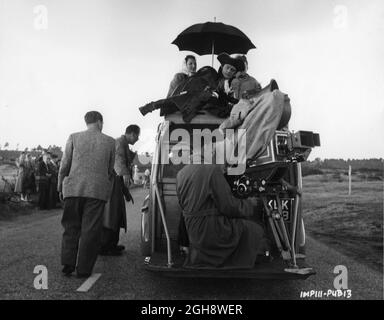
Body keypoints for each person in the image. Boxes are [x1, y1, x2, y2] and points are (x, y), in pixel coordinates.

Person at [176, 151, 267, 269]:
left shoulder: (181, 173)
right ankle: (237, 265)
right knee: (255, 229)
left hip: (193, 231)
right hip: (211, 229)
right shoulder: (212, 170)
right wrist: (249, 204)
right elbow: (228, 206)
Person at [59, 111, 115, 277]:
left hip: (73, 188)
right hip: (96, 191)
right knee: (91, 231)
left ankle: (68, 263)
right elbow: (110, 170)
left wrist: (60, 186)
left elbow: (65, 164)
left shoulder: (73, 137)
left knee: (70, 226)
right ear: (99, 122)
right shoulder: (110, 141)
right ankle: (83, 270)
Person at [100, 124, 140, 256]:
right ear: (132, 134)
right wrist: (126, 174)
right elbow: (118, 161)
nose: (137, 139)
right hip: (112, 184)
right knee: (111, 216)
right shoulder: (119, 142)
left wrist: (126, 192)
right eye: (137, 136)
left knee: (116, 215)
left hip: (116, 184)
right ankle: (106, 246)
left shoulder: (123, 143)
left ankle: (111, 244)